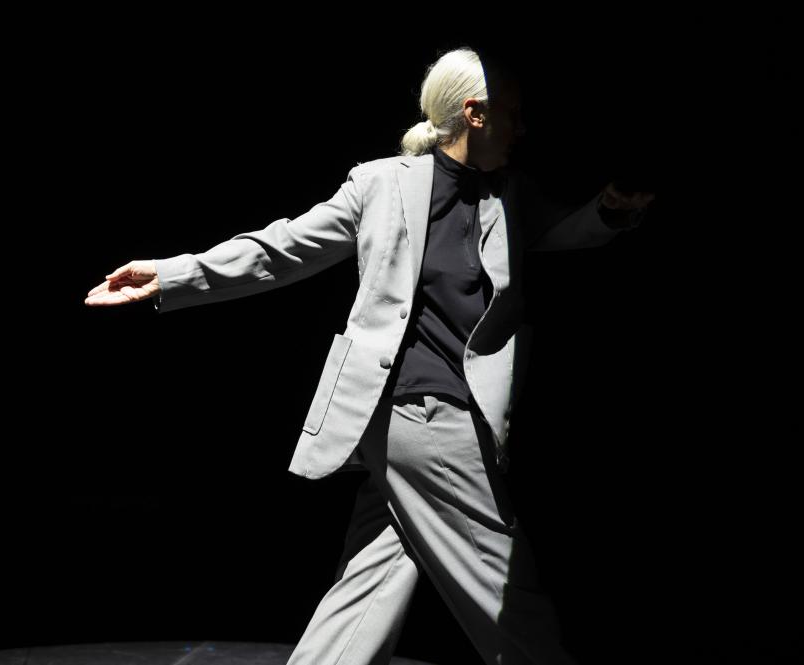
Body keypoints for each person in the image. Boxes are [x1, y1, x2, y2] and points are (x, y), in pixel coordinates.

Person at [85, 47, 654, 665]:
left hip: (443, 422)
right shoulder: (381, 184)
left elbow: (556, 234)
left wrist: (607, 214)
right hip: (423, 417)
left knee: (365, 598)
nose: (523, 128)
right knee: (512, 601)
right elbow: (283, 248)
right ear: (475, 114)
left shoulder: (508, 196)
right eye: (513, 114)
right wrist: (172, 276)